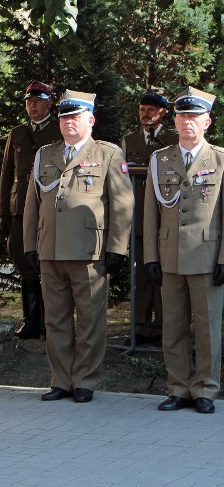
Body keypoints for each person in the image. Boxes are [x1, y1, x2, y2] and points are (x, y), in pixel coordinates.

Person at [23, 90, 133, 403]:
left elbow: (123, 203)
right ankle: (61, 379)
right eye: (64, 117)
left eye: (76, 117)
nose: (69, 123)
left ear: (91, 119)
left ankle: (85, 380)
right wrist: (30, 244)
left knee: (89, 319)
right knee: (54, 320)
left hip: (90, 251)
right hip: (51, 249)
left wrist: (118, 248)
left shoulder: (107, 154)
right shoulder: (45, 154)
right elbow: (33, 202)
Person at [143, 87, 221, 414]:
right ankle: (178, 387)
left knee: (207, 330)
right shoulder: (160, 160)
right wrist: (150, 255)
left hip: (206, 256)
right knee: (172, 327)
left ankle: (205, 388)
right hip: (170, 255)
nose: (187, 122)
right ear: (174, 120)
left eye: (194, 117)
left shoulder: (220, 160)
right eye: (182, 116)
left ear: (208, 122)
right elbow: (150, 212)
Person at [0, 82, 62, 340]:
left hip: (49, 207)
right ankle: (31, 321)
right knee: (25, 266)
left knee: (48, 265)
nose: (32, 105)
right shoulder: (17, 133)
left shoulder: (60, 130)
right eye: (29, 101)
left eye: (38, 100)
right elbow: (6, 175)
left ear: (49, 103)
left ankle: (50, 323)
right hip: (20, 207)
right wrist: (3, 211)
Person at [120, 91, 178, 345]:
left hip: (167, 216)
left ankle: (164, 328)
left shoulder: (173, 140)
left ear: (162, 112)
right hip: (139, 218)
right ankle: (142, 328)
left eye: (151, 110)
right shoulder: (129, 141)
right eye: (142, 109)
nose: (145, 114)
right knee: (142, 275)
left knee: (165, 275)